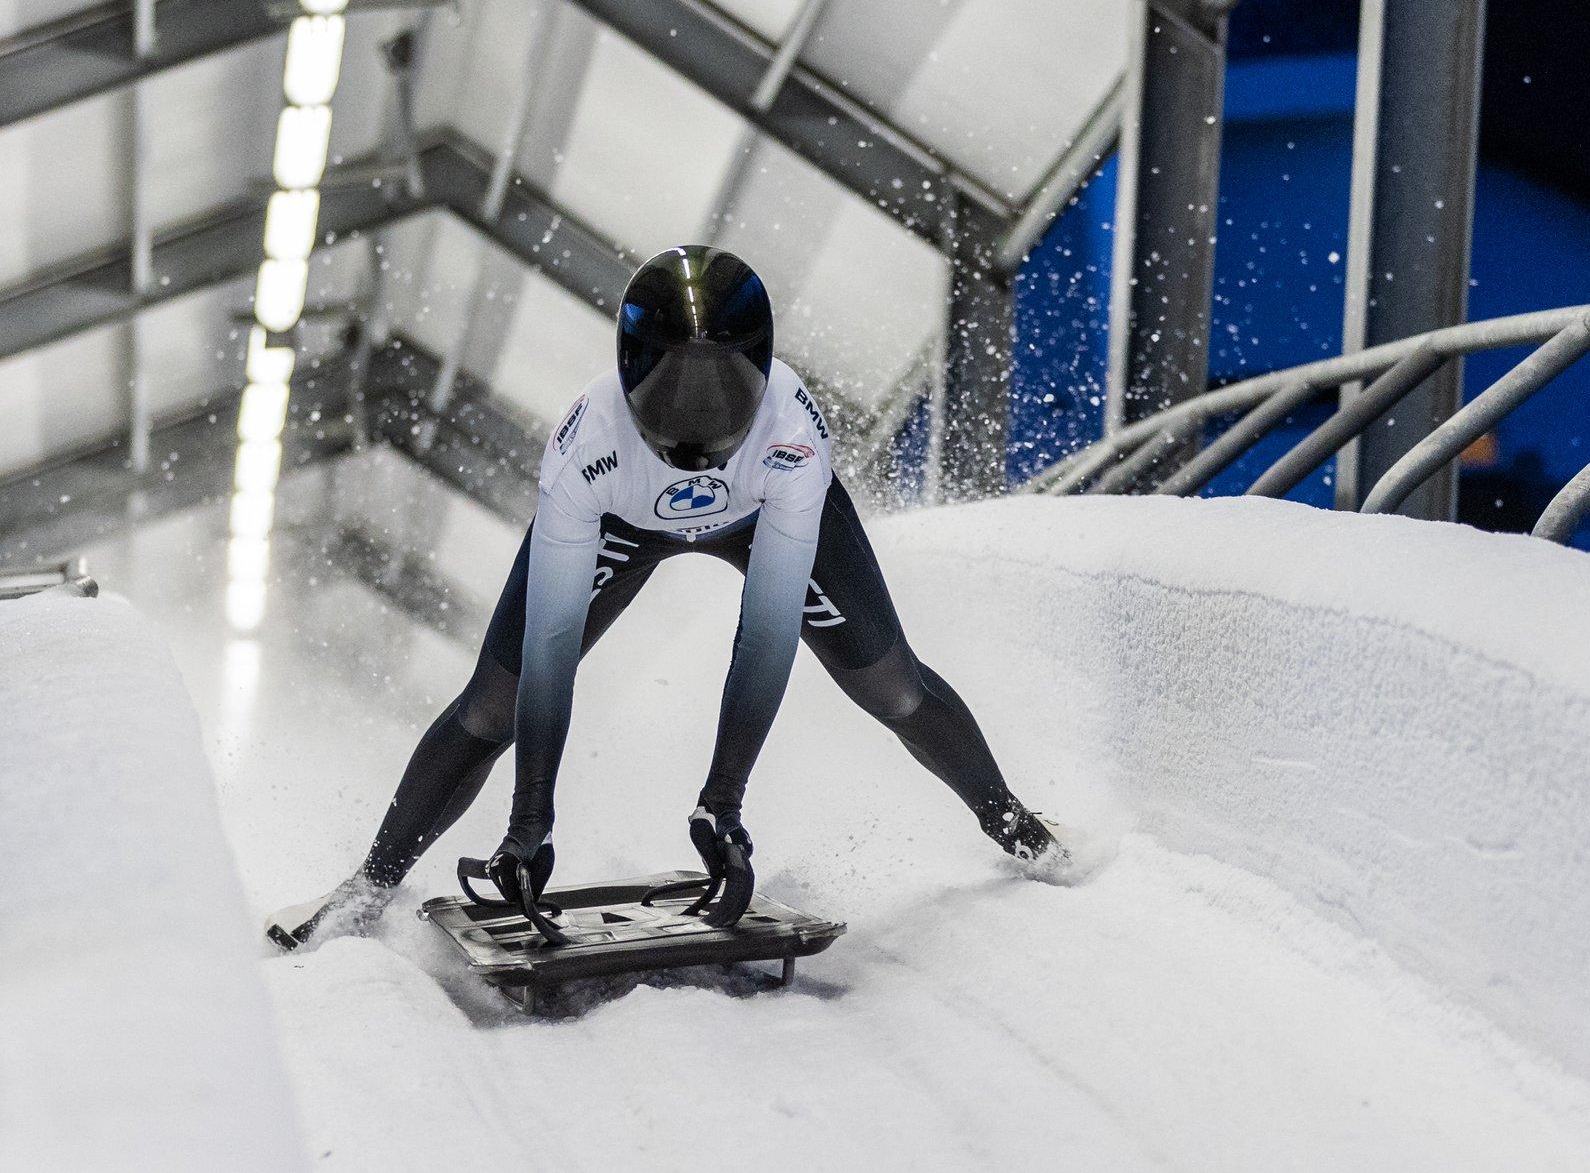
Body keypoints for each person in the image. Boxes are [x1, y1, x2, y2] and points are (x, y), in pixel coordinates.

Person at [267, 246, 1061, 948]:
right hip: (623, 519)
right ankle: (369, 884)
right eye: (674, 401)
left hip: (762, 514)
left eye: (720, 402)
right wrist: (529, 821)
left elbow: (766, 639)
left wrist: (723, 802)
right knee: (492, 705)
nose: (695, 433)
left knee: (892, 687)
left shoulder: (792, 438)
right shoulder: (588, 447)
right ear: (627, 375)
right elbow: (547, 659)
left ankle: (1015, 823)